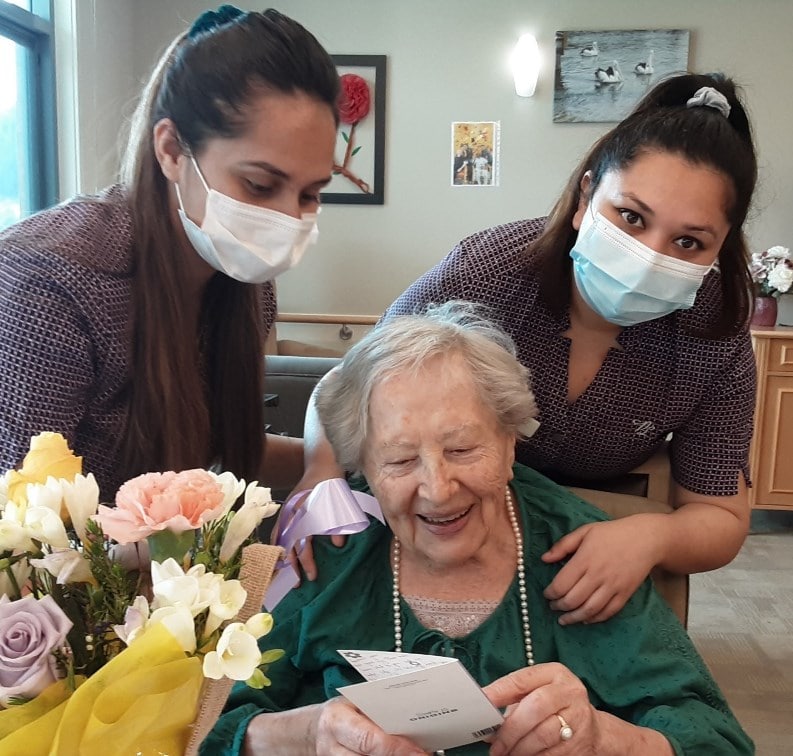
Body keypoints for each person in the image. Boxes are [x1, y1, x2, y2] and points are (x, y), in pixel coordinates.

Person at [296, 72, 758, 625]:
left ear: (719, 249)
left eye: (688, 242)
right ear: (586, 198)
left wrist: (653, 536)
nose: (648, 255)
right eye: (630, 217)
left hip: (593, 524)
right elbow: (347, 385)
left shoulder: (716, 334)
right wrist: (318, 475)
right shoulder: (487, 271)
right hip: (458, 513)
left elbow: (721, 515)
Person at [202, 303, 753, 755]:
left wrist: (607, 740)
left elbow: (719, 741)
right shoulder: (320, 546)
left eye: (463, 449)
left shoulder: (581, 552)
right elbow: (198, 725)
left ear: (511, 442)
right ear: (361, 467)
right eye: (398, 461)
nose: (439, 489)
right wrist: (305, 735)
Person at [0, 6, 339, 498]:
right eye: (260, 185)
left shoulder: (245, 286)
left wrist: (335, 461)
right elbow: (23, 530)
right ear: (172, 151)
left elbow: (211, 458)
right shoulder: (48, 285)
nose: (287, 219)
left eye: (310, 194)